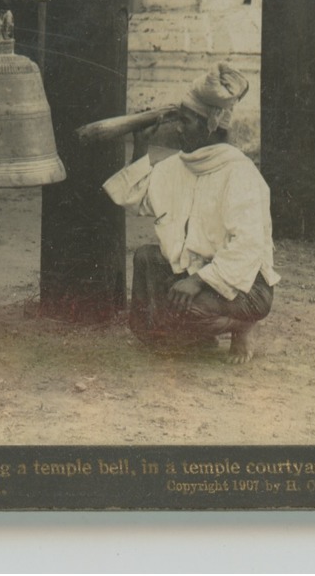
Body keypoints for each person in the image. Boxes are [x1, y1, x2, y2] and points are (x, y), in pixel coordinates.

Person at [102, 63, 279, 363]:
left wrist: (199, 281)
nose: (179, 128)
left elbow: (247, 247)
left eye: (186, 121)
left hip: (246, 285)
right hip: (195, 270)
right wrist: (141, 145)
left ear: (212, 123)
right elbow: (136, 196)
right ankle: (192, 332)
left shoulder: (240, 173)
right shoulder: (179, 165)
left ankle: (243, 326)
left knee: (186, 312)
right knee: (147, 292)